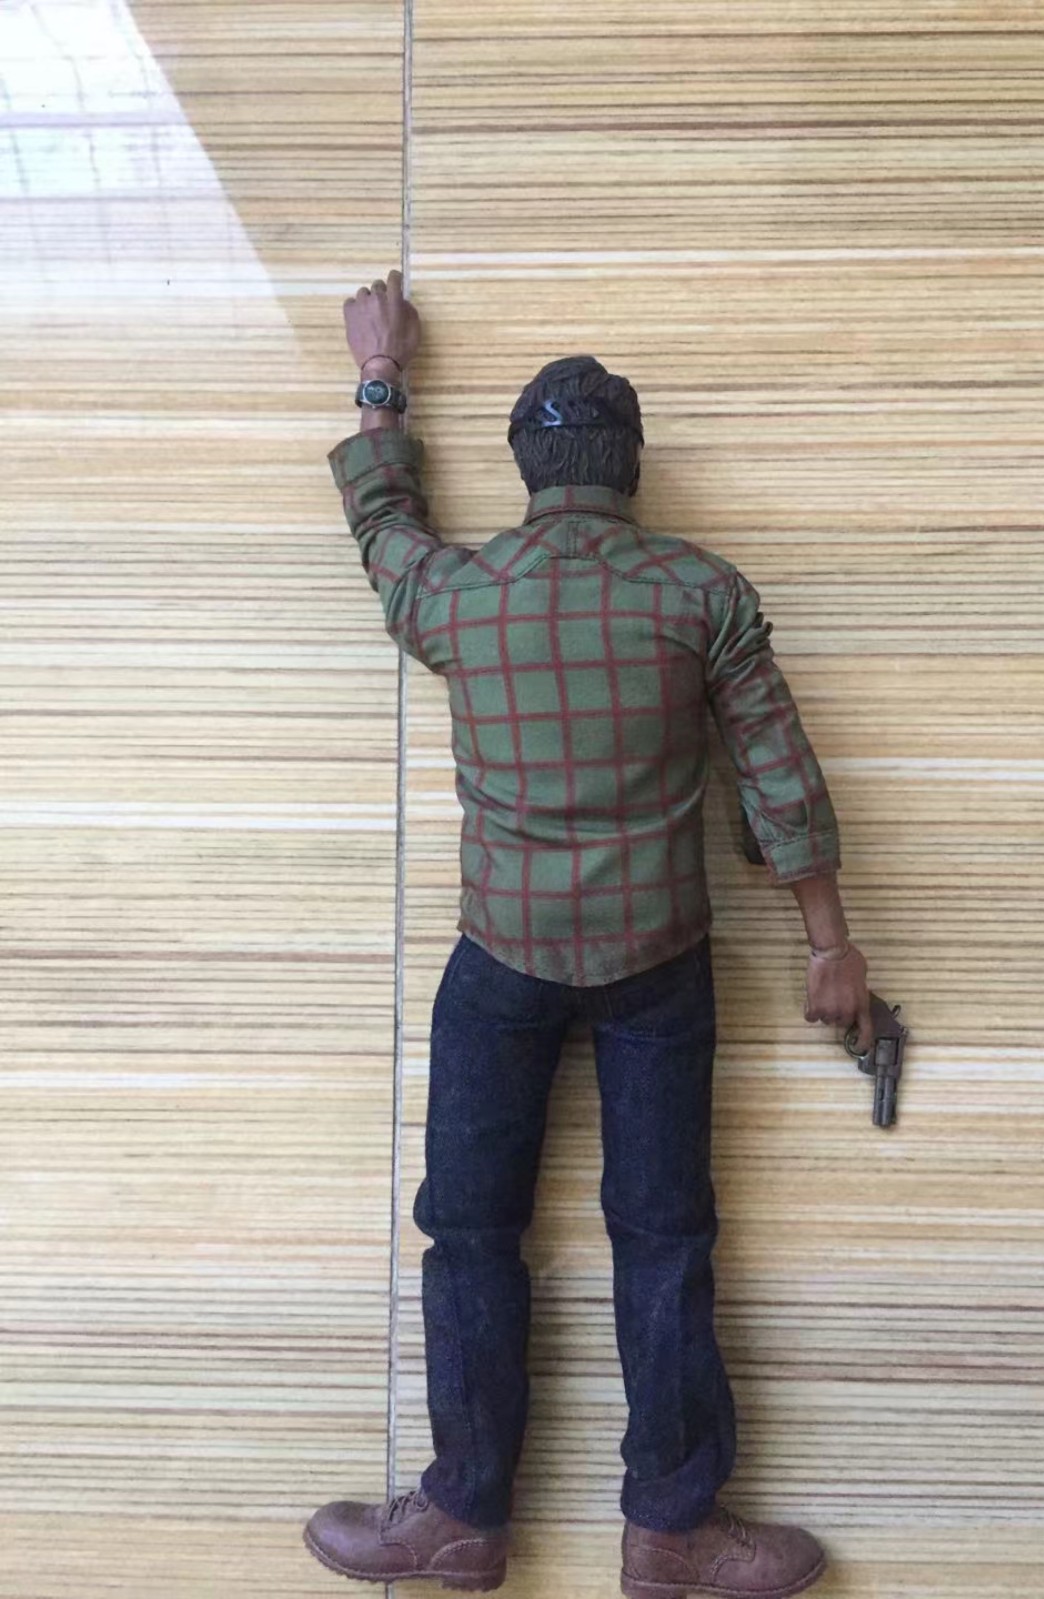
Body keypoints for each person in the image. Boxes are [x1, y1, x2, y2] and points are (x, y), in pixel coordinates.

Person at [303, 272, 874, 1597]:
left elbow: (383, 528)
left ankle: (461, 1517)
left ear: (525, 468)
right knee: (663, 1238)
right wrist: (829, 946)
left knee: (469, 1232)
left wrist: (384, 380)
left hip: (497, 961)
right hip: (657, 967)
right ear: (631, 467)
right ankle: (672, 1528)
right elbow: (779, 776)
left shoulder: (459, 597)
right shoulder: (702, 593)